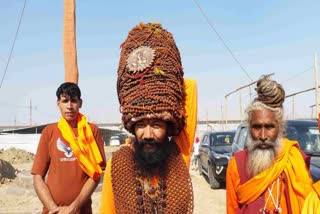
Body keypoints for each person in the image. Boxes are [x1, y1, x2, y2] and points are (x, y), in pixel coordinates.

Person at [99, 22, 197, 213]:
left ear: (168, 126)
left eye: (156, 124)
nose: (148, 134)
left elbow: (190, 87)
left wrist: (160, 77)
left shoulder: (178, 155)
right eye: (141, 124)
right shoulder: (117, 165)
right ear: (132, 128)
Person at [226, 76, 313, 214]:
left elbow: (308, 204)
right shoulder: (237, 164)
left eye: (269, 127)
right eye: (256, 127)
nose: (262, 136)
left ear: (280, 127)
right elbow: (231, 209)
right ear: (249, 127)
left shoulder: (295, 158)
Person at [31, 82, 106, 214]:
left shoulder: (91, 131)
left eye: (74, 101)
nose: (69, 106)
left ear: (80, 103)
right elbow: (38, 176)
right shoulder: (49, 131)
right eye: (65, 101)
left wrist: (74, 207)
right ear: (58, 104)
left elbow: (96, 174)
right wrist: (53, 208)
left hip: (81, 210)